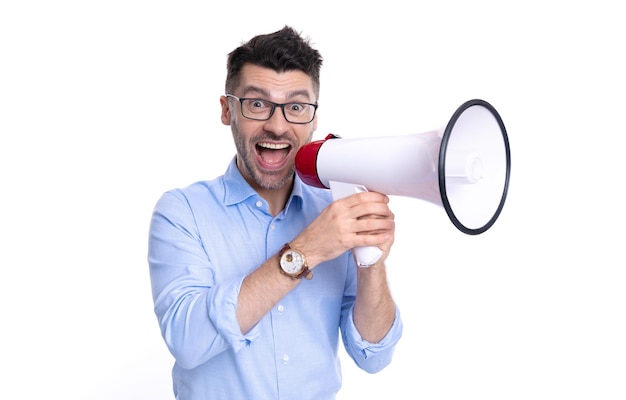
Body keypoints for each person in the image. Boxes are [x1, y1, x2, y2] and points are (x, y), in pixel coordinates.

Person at [148, 25, 403, 400]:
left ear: (314, 118)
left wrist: (372, 263)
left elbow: (373, 355)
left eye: (296, 107)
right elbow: (188, 340)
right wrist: (308, 250)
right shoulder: (182, 213)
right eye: (257, 103)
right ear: (227, 110)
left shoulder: (334, 211)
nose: (278, 125)